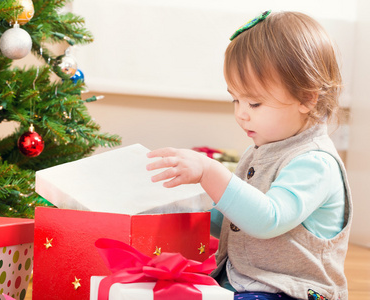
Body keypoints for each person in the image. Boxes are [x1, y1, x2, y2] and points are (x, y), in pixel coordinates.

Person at [146, 10, 352, 300]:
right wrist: (182, 212)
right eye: (235, 99)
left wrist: (209, 171)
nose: (241, 114)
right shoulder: (260, 152)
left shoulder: (315, 162)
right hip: (246, 281)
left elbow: (267, 219)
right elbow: (233, 217)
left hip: (291, 289)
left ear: (307, 98)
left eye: (254, 103)